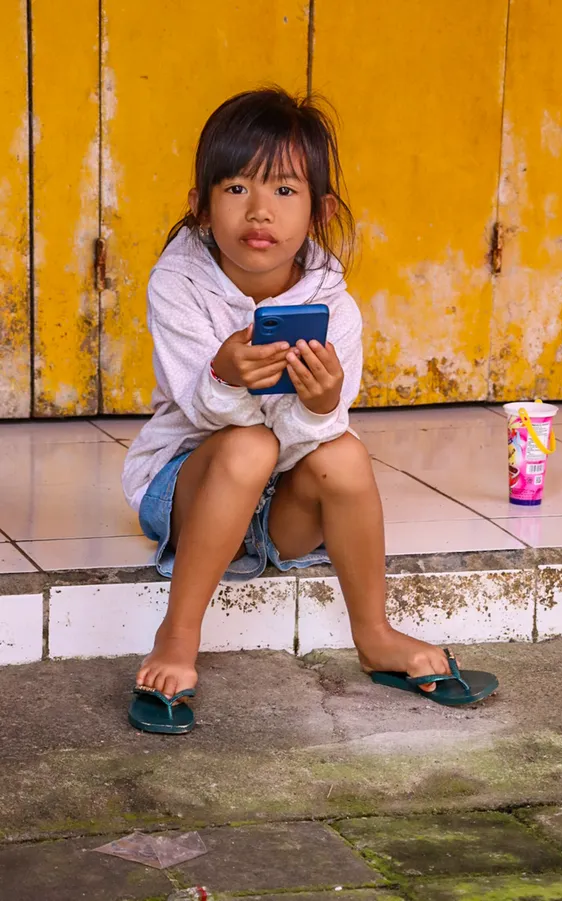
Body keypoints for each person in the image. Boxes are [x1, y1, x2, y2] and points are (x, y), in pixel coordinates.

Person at [122, 87, 452, 712]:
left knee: (345, 451)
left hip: (279, 516)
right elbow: (200, 412)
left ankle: (374, 634)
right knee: (249, 445)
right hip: (188, 493)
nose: (259, 212)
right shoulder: (177, 284)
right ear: (200, 206)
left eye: (283, 190)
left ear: (319, 211)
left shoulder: (334, 307)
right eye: (236, 188)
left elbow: (311, 440)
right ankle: (178, 635)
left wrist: (321, 406)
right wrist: (225, 376)